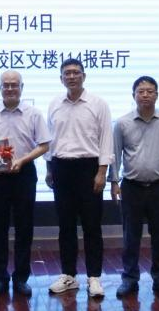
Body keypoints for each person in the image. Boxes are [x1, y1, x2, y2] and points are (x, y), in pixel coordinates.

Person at [0, 70, 51, 297]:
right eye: (6, 85)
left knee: (24, 229)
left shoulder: (33, 113)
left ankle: (21, 278)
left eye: (14, 85)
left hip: (24, 174)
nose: (10, 88)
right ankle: (0, 278)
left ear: (21, 87)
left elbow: (44, 145)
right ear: (0, 88)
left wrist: (23, 160)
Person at [45, 58, 113, 299]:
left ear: (84, 76)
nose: (71, 76)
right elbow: (50, 140)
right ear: (61, 78)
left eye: (76, 72)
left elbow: (106, 138)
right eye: (67, 73)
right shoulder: (54, 104)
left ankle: (94, 277)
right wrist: (49, 169)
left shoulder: (98, 104)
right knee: (65, 226)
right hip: (61, 168)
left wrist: (102, 172)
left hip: (89, 168)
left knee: (92, 226)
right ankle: (69, 275)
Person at [110, 76, 159, 299]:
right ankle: (129, 279)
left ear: (157, 95)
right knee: (130, 237)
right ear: (134, 95)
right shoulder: (122, 123)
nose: (145, 95)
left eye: (150, 91)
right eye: (141, 91)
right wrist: (114, 182)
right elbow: (115, 155)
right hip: (131, 187)